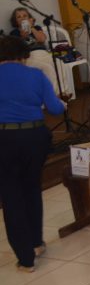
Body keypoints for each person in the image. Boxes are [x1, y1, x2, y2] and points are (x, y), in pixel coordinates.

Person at [0, 36, 65, 272]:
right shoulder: (36, 75)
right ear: (24, 55)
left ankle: (26, 258)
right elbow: (56, 109)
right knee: (31, 188)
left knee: (11, 195)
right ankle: (37, 242)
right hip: (34, 137)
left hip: (4, 139)